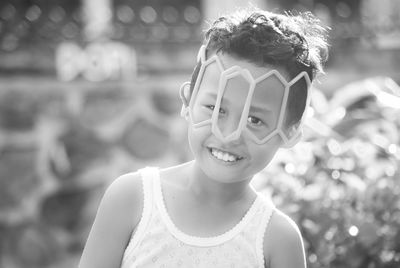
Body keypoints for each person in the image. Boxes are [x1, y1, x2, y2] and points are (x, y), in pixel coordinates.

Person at [79, 7, 329, 268]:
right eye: (215, 108)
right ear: (188, 100)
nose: (229, 135)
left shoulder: (277, 240)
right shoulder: (131, 199)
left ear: (290, 131)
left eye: (255, 120)